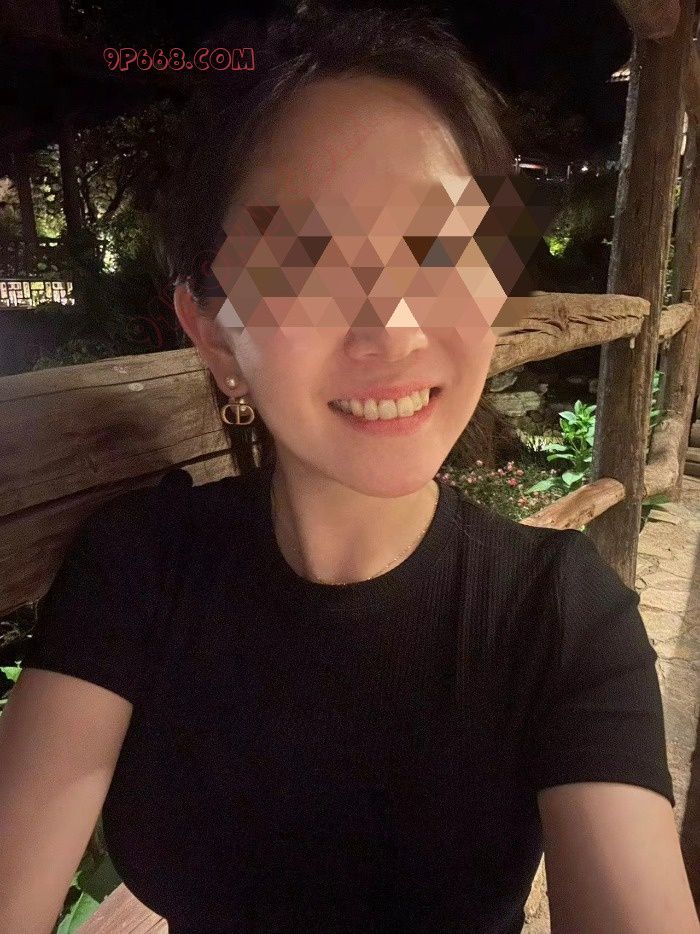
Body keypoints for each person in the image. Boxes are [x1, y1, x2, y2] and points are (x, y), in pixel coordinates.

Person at [2, 4, 696, 934]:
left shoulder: (562, 619)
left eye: (441, 248)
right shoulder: (140, 570)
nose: (391, 329)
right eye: (304, 263)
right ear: (216, 334)